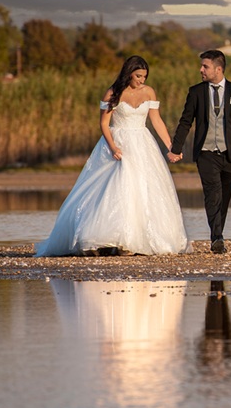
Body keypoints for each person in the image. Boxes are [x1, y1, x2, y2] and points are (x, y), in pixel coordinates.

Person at [35, 56, 191, 257]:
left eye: (144, 76)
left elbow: (156, 121)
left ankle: (135, 240)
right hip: (118, 141)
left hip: (142, 142)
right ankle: (108, 238)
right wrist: (113, 146)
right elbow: (103, 124)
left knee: (142, 188)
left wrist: (171, 146)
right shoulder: (113, 93)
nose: (141, 80)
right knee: (116, 188)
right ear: (128, 73)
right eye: (138, 76)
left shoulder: (149, 92)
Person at [168, 49, 231, 254]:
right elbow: (186, 121)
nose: (201, 70)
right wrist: (176, 148)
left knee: (223, 196)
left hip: (230, 154)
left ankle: (218, 235)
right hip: (205, 153)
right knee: (212, 193)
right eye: (202, 66)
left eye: (205, 66)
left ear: (218, 68)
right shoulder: (196, 92)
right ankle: (217, 238)